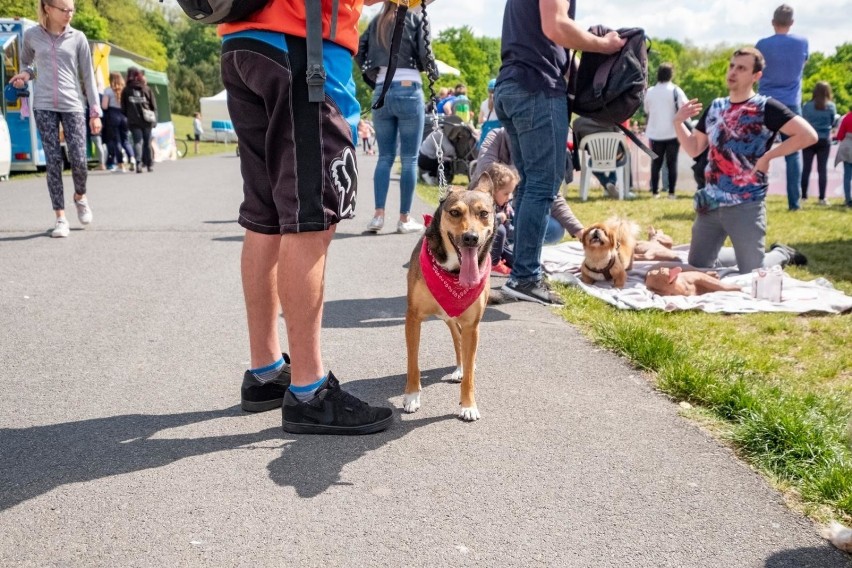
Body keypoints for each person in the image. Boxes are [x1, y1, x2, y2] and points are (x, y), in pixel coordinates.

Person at [218, 0, 392, 434]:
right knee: (310, 219)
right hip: (302, 43)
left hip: (242, 40)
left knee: (267, 217)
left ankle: (265, 371)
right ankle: (309, 391)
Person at [494, 0, 624, 305]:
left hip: (512, 84)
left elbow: (547, 38)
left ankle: (520, 274)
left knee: (529, 184)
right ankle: (525, 278)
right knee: (543, 184)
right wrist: (603, 46)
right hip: (536, 89)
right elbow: (556, 27)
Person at [673, 47, 816, 274]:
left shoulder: (766, 107)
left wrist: (769, 156)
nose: (733, 72)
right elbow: (694, 148)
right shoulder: (715, 107)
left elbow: (808, 135)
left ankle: (781, 253)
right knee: (697, 267)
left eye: (741, 68)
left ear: (756, 76)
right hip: (710, 202)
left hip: (746, 203)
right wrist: (678, 122)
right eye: (732, 66)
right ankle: (735, 254)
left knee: (752, 272)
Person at [10, 0, 101, 238]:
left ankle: (80, 196)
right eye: (64, 9)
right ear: (48, 9)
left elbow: (88, 77)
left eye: (72, 9)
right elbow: (28, 65)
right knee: (53, 162)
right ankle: (60, 217)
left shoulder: (78, 37)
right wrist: (24, 75)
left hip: (73, 105)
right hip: (44, 106)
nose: (69, 14)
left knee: (79, 159)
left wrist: (95, 112)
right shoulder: (31, 36)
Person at [356, 1, 431, 234]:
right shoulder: (414, 18)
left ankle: (378, 216)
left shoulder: (376, 21)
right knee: (409, 158)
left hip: (381, 89)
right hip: (409, 88)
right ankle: (404, 218)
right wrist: (430, 69)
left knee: (385, 157)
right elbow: (425, 52)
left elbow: (358, 49)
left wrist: (372, 74)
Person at [472, 127, 583, 247]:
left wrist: (579, 230)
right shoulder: (496, 136)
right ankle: (502, 246)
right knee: (499, 230)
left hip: (514, 214)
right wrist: (523, 170)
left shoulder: (537, 146)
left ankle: (512, 246)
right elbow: (484, 172)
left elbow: (551, 192)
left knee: (555, 229)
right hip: (487, 212)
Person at [755, 4, 809, 211]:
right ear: (792, 23)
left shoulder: (762, 44)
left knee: (758, 150)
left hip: (765, 102)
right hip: (791, 103)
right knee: (793, 153)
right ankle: (794, 203)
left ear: (772, 22)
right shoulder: (802, 42)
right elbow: (802, 65)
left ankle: (756, 198)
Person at [644, 63, 688, 199]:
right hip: (673, 133)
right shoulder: (676, 90)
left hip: (655, 133)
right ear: (671, 74)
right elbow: (685, 107)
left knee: (655, 163)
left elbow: (646, 110)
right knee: (671, 163)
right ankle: (671, 193)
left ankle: (655, 192)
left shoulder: (650, 91)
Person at [572, 115, 634, 199]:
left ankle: (607, 184)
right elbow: (621, 137)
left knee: (590, 163)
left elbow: (580, 146)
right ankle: (622, 188)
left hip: (596, 157)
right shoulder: (611, 118)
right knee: (623, 154)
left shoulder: (577, 123)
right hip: (616, 156)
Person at [800, 82, 838, 205]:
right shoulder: (831, 106)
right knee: (822, 170)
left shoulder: (807, 106)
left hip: (809, 139)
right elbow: (833, 122)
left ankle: (804, 196)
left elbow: (803, 122)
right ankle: (822, 198)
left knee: (806, 168)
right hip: (824, 139)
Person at [120, 67, 156, 174]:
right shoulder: (146, 89)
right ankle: (149, 165)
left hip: (134, 121)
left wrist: (130, 115)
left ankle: (139, 165)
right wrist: (154, 119)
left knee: (137, 142)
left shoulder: (126, 90)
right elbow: (153, 106)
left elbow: (123, 108)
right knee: (147, 143)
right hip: (147, 120)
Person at [102, 71, 135, 172]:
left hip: (113, 116)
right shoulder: (126, 90)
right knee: (126, 140)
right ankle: (132, 157)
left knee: (117, 141)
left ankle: (121, 164)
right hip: (124, 116)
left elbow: (104, 106)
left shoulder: (108, 90)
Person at [835, 109, 852, 207]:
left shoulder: (847, 117)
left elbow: (840, 136)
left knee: (847, 176)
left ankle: (848, 199)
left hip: (848, 148)